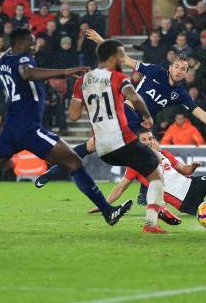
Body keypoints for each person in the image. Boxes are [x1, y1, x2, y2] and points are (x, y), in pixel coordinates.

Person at [0, 29, 131, 228]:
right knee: (74, 162)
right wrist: (67, 71)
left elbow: (20, 69)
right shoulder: (23, 59)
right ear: (20, 44)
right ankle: (108, 211)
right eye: (31, 42)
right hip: (29, 128)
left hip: (12, 127)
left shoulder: (2, 60)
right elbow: (26, 72)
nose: (34, 47)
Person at [34, 29, 206, 203]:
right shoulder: (154, 71)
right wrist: (101, 41)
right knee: (93, 146)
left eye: (185, 69)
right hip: (124, 114)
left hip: (141, 127)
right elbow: (123, 58)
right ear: (170, 66)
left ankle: (150, 199)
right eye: (178, 67)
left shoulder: (180, 94)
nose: (181, 71)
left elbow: (204, 115)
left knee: (151, 156)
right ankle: (52, 172)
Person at [65, 39, 178, 233]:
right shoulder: (117, 77)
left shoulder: (81, 81)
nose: (122, 59)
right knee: (157, 170)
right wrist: (147, 117)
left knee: (149, 170)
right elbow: (134, 97)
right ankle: (151, 222)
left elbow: (74, 116)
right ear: (111, 59)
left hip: (103, 148)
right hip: (122, 140)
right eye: (120, 55)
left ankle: (160, 210)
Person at [89, 129, 206, 216]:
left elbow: (184, 170)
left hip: (194, 183)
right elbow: (121, 187)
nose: (149, 141)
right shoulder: (136, 164)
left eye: (151, 138)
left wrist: (193, 166)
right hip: (184, 201)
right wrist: (104, 205)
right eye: (144, 140)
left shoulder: (164, 154)